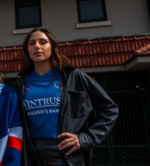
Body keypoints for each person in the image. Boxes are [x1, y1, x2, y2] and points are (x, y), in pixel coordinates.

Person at [14, 27, 118, 166]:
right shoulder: (20, 84)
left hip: (67, 154)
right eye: (32, 43)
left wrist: (87, 138)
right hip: (31, 155)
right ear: (27, 50)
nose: (37, 46)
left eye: (43, 42)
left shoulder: (73, 76)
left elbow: (109, 109)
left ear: (53, 47)